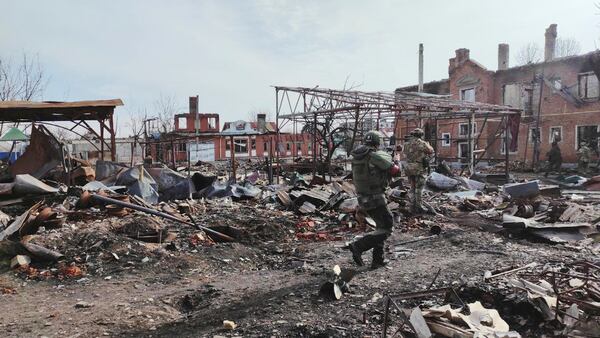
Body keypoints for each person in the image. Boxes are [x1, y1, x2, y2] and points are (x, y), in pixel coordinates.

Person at [346, 131, 401, 269]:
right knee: (387, 227)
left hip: (363, 198)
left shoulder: (357, 156)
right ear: (377, 143)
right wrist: (394, 160)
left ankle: (378, 260)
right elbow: (396, 171)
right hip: (376, 197)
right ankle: (358, 246)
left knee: (380, 227)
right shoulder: (374, 156)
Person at [403, 128, 434, 213]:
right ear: (421, 135)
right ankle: (419, 206)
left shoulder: (406, 144)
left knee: (412, 187)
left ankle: (411, 206)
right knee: (419, 188)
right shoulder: (421, 143)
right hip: (419, 168)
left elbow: (405, 153)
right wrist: (428, 144)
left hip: (409, 168)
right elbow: (431, 151)